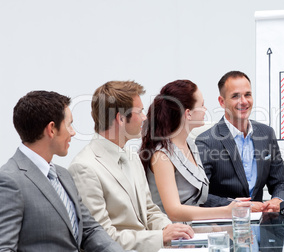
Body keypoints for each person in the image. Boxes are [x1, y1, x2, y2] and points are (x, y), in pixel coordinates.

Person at [68, 81, 194, 252]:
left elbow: (149, 210)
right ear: (120, 118)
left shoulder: (131, 156)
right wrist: (160, 237)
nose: (144, 117)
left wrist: (169, 229)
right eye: (140, 111)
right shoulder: (84, 167)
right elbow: (102, 238)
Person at [0, 91, 126, 251]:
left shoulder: (63, 175)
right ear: (51, 129)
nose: (73, 132)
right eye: (69, 124)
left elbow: (90, 230)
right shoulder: (9, 181)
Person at [140, 80, 250, 222]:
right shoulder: (161, 155)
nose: (205, 109)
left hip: (193, 229)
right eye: (202, 105)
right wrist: (226, 211)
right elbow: (174, 211)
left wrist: (233, 204)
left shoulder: (190, 144)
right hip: (172, 233)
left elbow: (199, 200)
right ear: (188, 114)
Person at [195, 71, 284, 212]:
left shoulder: (266, 134)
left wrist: (277, 200)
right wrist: (241, 206)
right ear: (222, 102)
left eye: (247, 95)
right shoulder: (206, 142)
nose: (244, 101)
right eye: (235, 96)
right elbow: (200, 195)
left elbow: (282, 183)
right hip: (224, 224)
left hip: (261, 221)